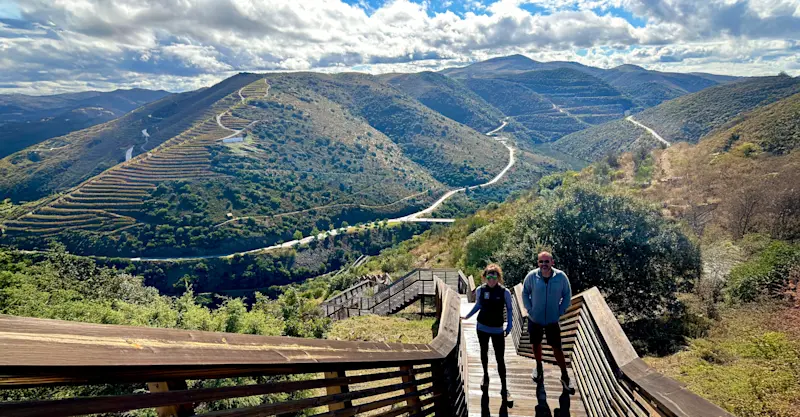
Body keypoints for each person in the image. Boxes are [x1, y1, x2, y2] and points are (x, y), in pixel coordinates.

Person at [522, 251, 574, 394]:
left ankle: (564, 374)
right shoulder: (532, 276)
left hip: (552, 320)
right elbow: (525, 292)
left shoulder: (561, 277)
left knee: (557, 347)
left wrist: (560, 311)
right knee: (536, 344)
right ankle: (539, 367)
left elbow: (567, 295)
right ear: (538, 263)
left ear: (552, 262)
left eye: (546, 261)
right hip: (535, 319)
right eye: (541, 262)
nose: (544, 264)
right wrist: (530, 309)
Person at [463, 263, 514, 401]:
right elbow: (478, 305)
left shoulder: (505, 292)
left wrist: (509, 324)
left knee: (500, 358)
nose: (491, 279)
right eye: (488, 276)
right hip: (482, 327)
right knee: (483, 352)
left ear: (499, 277)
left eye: (494, 276)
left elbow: (509, 309)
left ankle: (504, 387)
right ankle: (485, 375)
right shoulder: (480, 290)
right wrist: (468, 316)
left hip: (497, 329)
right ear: (484, 277)